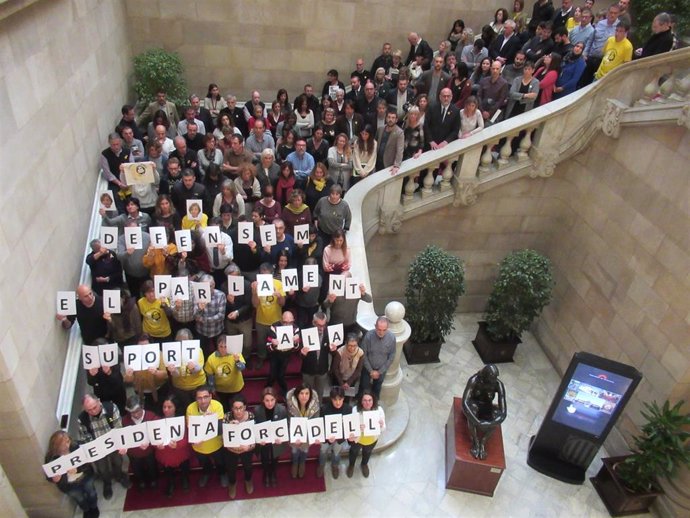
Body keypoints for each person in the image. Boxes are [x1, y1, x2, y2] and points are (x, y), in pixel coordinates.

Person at [78, 394, 131, 499]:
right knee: (102, 468)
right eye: (89, 410)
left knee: (118, 461)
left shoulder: (111, 409)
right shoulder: (82, 419)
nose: (93, 411)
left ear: (98, 401)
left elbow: (118, 427)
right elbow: (85, 437)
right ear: (85, 409)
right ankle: (107, 483)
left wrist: (122, 444)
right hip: (97, 447)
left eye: (95, 407)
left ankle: (119, 476)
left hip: (113, 442)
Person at [45, 430, 99, 517]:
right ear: (57, 446)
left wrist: (77, 469)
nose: (67, 443)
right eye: (64, 442)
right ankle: (86, 510)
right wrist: (54, 478)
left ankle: (94, 507)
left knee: (91, 492)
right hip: (69, 485)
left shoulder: (76, 446)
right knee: (79, 498)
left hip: (85, 477)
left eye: (68, 440)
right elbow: (48, 475)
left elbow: (87, 462)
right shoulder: (50, 458)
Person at [462, 364, 507, 460]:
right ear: (485, 376)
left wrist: (490, 423)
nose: (494, 381)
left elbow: (503, 413)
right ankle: (475, 441)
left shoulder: (498, 385)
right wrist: (477, 422)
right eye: (492, 378)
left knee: (496, 415)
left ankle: (483, 441)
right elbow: (465, 403)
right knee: (472, 410)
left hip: (487, 406)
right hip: (474, 405)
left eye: (495, 378)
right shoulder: (474, 380)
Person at [186, 385, 227, 488]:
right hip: (199, 446)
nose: (203, 401)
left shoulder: (217, 406)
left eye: (205, 397)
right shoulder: (190, 408)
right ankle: (206, 473)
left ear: (210, 396)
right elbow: (190, 428)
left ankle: (222, 474)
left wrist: (212, 419)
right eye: (199, 398)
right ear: (195, 398)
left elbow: (220, 429)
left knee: (220, 462)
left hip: (216, 444)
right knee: (204, 463)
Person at [155, 395, 191, 497]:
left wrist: (178, 445)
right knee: (168, 472)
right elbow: (153, 438)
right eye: (164, 407)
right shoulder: (157, 421)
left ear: (176, 408)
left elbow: (188, 437)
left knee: (184, 467)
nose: (166, 410)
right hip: (164, 453)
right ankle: (171, 483)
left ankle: (185, 480)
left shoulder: (183, 420)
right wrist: (157, 445)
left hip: (181, 452)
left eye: (169, 407)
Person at [252, 263, 286, 370]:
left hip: (276, 320)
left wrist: (279, 296)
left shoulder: (278, 284)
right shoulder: (256, 285)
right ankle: (261, 358)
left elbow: (282, 304)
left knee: (276, 342)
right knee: (261, 342)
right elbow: (255, 304)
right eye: (263, 275)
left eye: (267, 275)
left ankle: (275, 359)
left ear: (272, 274)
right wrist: (254, 292)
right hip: (261, 320)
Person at [122, 395, 159, 490]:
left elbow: (158, 433)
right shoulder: (124, 421)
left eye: (137, 411)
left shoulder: (151, 417)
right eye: (132, 412)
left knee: (152, 466)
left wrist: (150, 442)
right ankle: (141, 481)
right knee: (136, 468)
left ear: (142, 407)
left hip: (149, 451)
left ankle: (153, 480)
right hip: (133, 453)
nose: (135, 415)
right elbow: (123, 436)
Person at [254, 387, 289, 487]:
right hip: (264, 441)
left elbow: (285, 425)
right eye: (267, 400)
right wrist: (258, 440)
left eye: (272, 400)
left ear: (276, 399)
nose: (270, 403)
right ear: (262, 400)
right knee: (264, 458)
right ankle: (266, 472)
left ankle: (273, 472)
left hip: (276, 441)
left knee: (275, 457)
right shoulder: (257, 410)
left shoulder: (282, 409)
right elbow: (255, 427)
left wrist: (282, 438)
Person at [347, 390, 385, 478]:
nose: (367, 403)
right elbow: (352, 426)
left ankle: (364, 464)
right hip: (358, 439)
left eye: (369, 400)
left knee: (367, 452)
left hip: (371, 439)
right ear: (361, 401)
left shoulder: (379, 410)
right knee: (353, 452)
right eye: (364, 400)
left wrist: (381, 425)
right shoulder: (355, 410)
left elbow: (383, 429)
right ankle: (351, 465)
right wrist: (357, 427)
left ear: (373, 400)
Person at [223, 394, 255, 499]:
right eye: (235, 408)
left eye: (241, 408)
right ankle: (232, 483)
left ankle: (248, 480)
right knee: (231, 468)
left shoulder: (251, 416)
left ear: (245, 407)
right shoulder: (227, 417)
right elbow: (224, 439)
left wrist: (249, 447)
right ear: (232, 408)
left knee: (248, 466)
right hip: (231, 449)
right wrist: (230, 427)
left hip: (247, 449)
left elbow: (255, 437)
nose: (238, 411)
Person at [286, 383, 320, 478]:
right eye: (301, 393)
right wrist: (293, 437)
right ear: (297, 394)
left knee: (305, 450)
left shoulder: (315, 405)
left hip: (308, 435)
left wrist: (314, 436)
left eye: (307, 393)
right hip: (294, 434)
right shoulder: (290, 405)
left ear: (310, 394)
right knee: (294, 451)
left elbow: (315, 422)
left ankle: (302, 462)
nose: (304, 396)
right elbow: (289, 422)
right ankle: (295, 463)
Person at [317, 386, 353, 479]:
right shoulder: (324, 408)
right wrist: (326, 436)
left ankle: (335, 466)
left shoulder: (348, 409)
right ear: (331, 399)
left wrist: (344, 436)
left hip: (340, 439)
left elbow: (349, 426)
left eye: (340, 399)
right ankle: (321, 465)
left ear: (343, 398)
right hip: (326, 438)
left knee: (336, 453)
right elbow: (320, 425)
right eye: (335, 399)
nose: (337, 402)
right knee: (323, 451)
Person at [167, 328, 207, 406]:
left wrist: (194, 367)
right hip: (180, 388)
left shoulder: (198, 350)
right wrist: (173, 370)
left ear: (190, 340)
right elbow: (176, 374)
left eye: (185, 340)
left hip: (197, 386)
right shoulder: (173, 352)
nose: (182, 343)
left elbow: (199, 368)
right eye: (180, 341)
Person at [359, 316, 395, 399]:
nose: (381, 332)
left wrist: (380, 371)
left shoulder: (391, 338)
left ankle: (374, 404)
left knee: (377, 389)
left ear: (387, 328)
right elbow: (363, 354)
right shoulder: (368, 336)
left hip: (381, 370)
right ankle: (360, 402)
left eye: (384, 330)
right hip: (367, 368)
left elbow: (392, 355)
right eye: (379, 329)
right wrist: (371, 370)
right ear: (375, 326)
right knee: (363, 386)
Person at [266, 311, 301, 397]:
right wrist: (273, 344)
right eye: (285, 322)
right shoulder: (274, 327)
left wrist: (296, 343)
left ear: (293, 320)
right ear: (281, 320)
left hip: (286, 354)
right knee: (272, 374)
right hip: (275, 354)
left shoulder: (296, 329)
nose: (287, 325)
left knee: (281, 374)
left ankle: (284, 390)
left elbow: (296, 349)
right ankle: (268, 389)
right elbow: (268, 347)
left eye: (290, 322)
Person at [194, 274, 228, 356]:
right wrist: (199, 309)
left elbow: (221, 316)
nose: (209, 288)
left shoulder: (221, 295)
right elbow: (194, 315)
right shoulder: (196, 295)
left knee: (220, 352)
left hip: (217, 330)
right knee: (203, 352)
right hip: (202, 330)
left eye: (211, 286)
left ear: (214, 285)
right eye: (206, 286)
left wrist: (204, 319)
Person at [376, 109, 404, 175]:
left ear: (396, 120)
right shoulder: (380, 129)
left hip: (388, 163)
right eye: (389, 117)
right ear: (386, 118)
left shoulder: (399, 132)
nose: (390, 119)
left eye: (393, 118)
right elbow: (376, 143)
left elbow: (400, 150)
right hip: (377, 162)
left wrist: (396, 165)